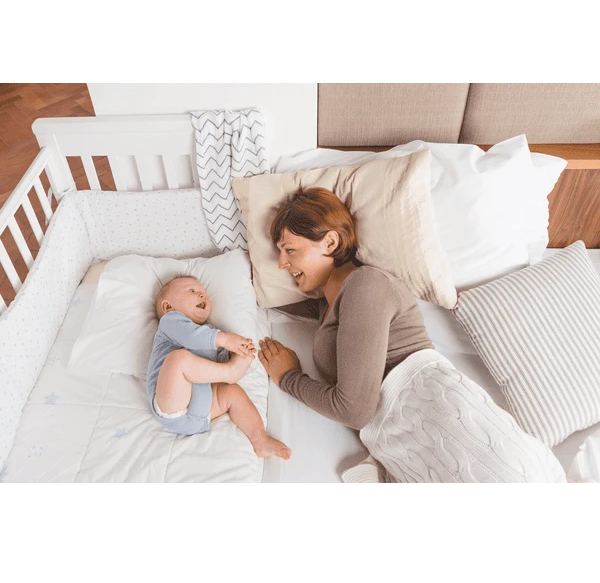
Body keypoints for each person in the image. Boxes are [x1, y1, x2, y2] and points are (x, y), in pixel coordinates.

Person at [257, 187, 434, 430]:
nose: (281, 264)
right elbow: (263, 295)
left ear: (330, 242)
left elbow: (354, 411)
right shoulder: (326, 306)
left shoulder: (367, 284)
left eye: (290, 250)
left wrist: (288, 377)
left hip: (439, 417)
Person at [147, 275, 291, 460]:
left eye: (203, 293)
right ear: (168, 306)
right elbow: (192, 337)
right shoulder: (170, 321)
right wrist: (224, 340)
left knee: (232, 392)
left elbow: (215, 363)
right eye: (192, 291)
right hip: (170, 404)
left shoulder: (210, 333)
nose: (202, 295)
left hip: (201, 413)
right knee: (178, 359)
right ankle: (230, 373)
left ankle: (259, 439)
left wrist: (238, 354)